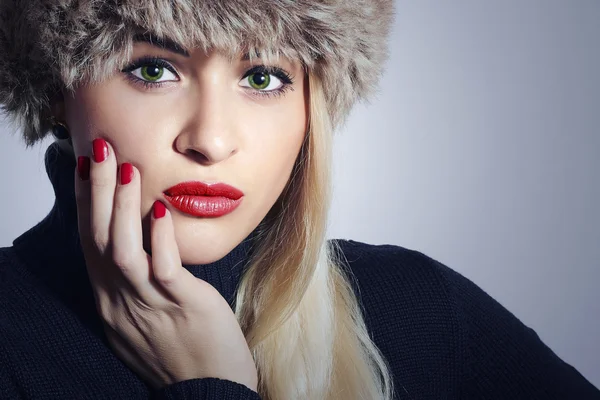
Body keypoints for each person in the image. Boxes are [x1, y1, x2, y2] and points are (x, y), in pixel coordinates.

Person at [0, 1, 598, 399]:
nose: (209, 139)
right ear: (57, 86)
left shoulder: (419, 310)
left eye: (262, 78)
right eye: (155, 70)